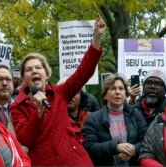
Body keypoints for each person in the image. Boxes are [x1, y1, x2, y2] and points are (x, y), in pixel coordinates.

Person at [10, 14, 106, 166]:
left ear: (46, 74)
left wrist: (96, 38)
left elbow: (84, 71)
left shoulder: (60, 93)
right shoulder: (17, 106)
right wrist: (38, 112)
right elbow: (25, 139)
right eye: (29, 69)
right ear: (24, 78)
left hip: (76, 161)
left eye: (38, 67)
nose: (34, 71)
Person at [82, 73, 148, 166]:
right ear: (105, 95)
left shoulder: (136, 114)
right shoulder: (93, 118)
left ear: (126, 94)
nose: (117, 92)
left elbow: (146, 142)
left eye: (121, 88)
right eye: (112, 88)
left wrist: (132, 150)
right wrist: (115, 147)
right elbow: (90, 147)